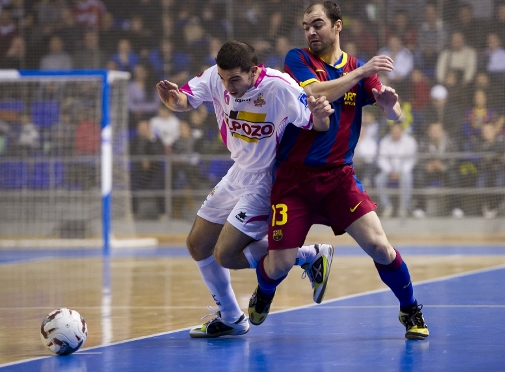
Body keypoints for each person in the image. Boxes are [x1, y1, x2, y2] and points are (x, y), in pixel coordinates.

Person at [248, 1, 429, 341]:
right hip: (293, 180)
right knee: (279, 266)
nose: (310, 31)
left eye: (317, 24)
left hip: (338, 178)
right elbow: (314, 92)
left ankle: (411, 308)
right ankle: (265, 291)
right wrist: (361, 73)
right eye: (306, 26)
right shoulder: (297, 59)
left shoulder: (359, 68)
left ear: (337, 26)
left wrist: (390, 106)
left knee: (380, 246)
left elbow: (393, 114)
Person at [156, 40, 335, 338]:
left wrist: (320, 113)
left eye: (235, 79)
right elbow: (186, 99)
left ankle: (309, 254)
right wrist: (174, 103)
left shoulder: (280, 87)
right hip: (237, 172)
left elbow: (319, 126)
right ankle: (231, 318)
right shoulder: (217, 76)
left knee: (225, 254)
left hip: (266, 181)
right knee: (198, 244)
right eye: (224, 79)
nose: (228, 87)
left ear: (253, 71)